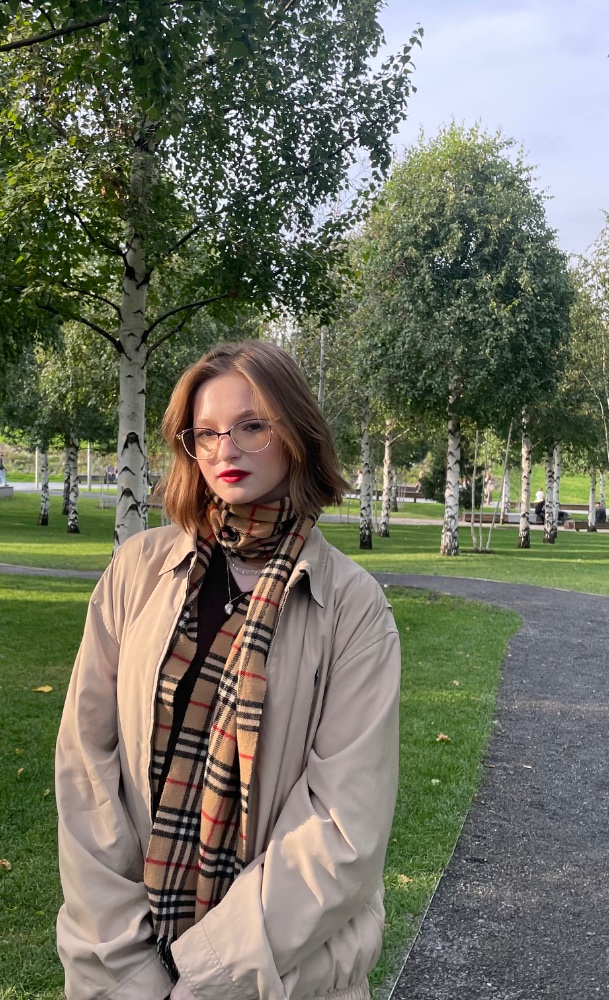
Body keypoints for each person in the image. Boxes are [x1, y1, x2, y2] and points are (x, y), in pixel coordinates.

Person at [55, 340, 401, 1000]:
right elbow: (85, 766)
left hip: (279, 975)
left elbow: (343, 826)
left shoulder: (353, 606)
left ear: (296, 434)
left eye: (250, 426)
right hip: (124, 965)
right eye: (206, 433)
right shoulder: (137, 571)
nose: (225, 450)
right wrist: (127, 967)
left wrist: (208, 975)